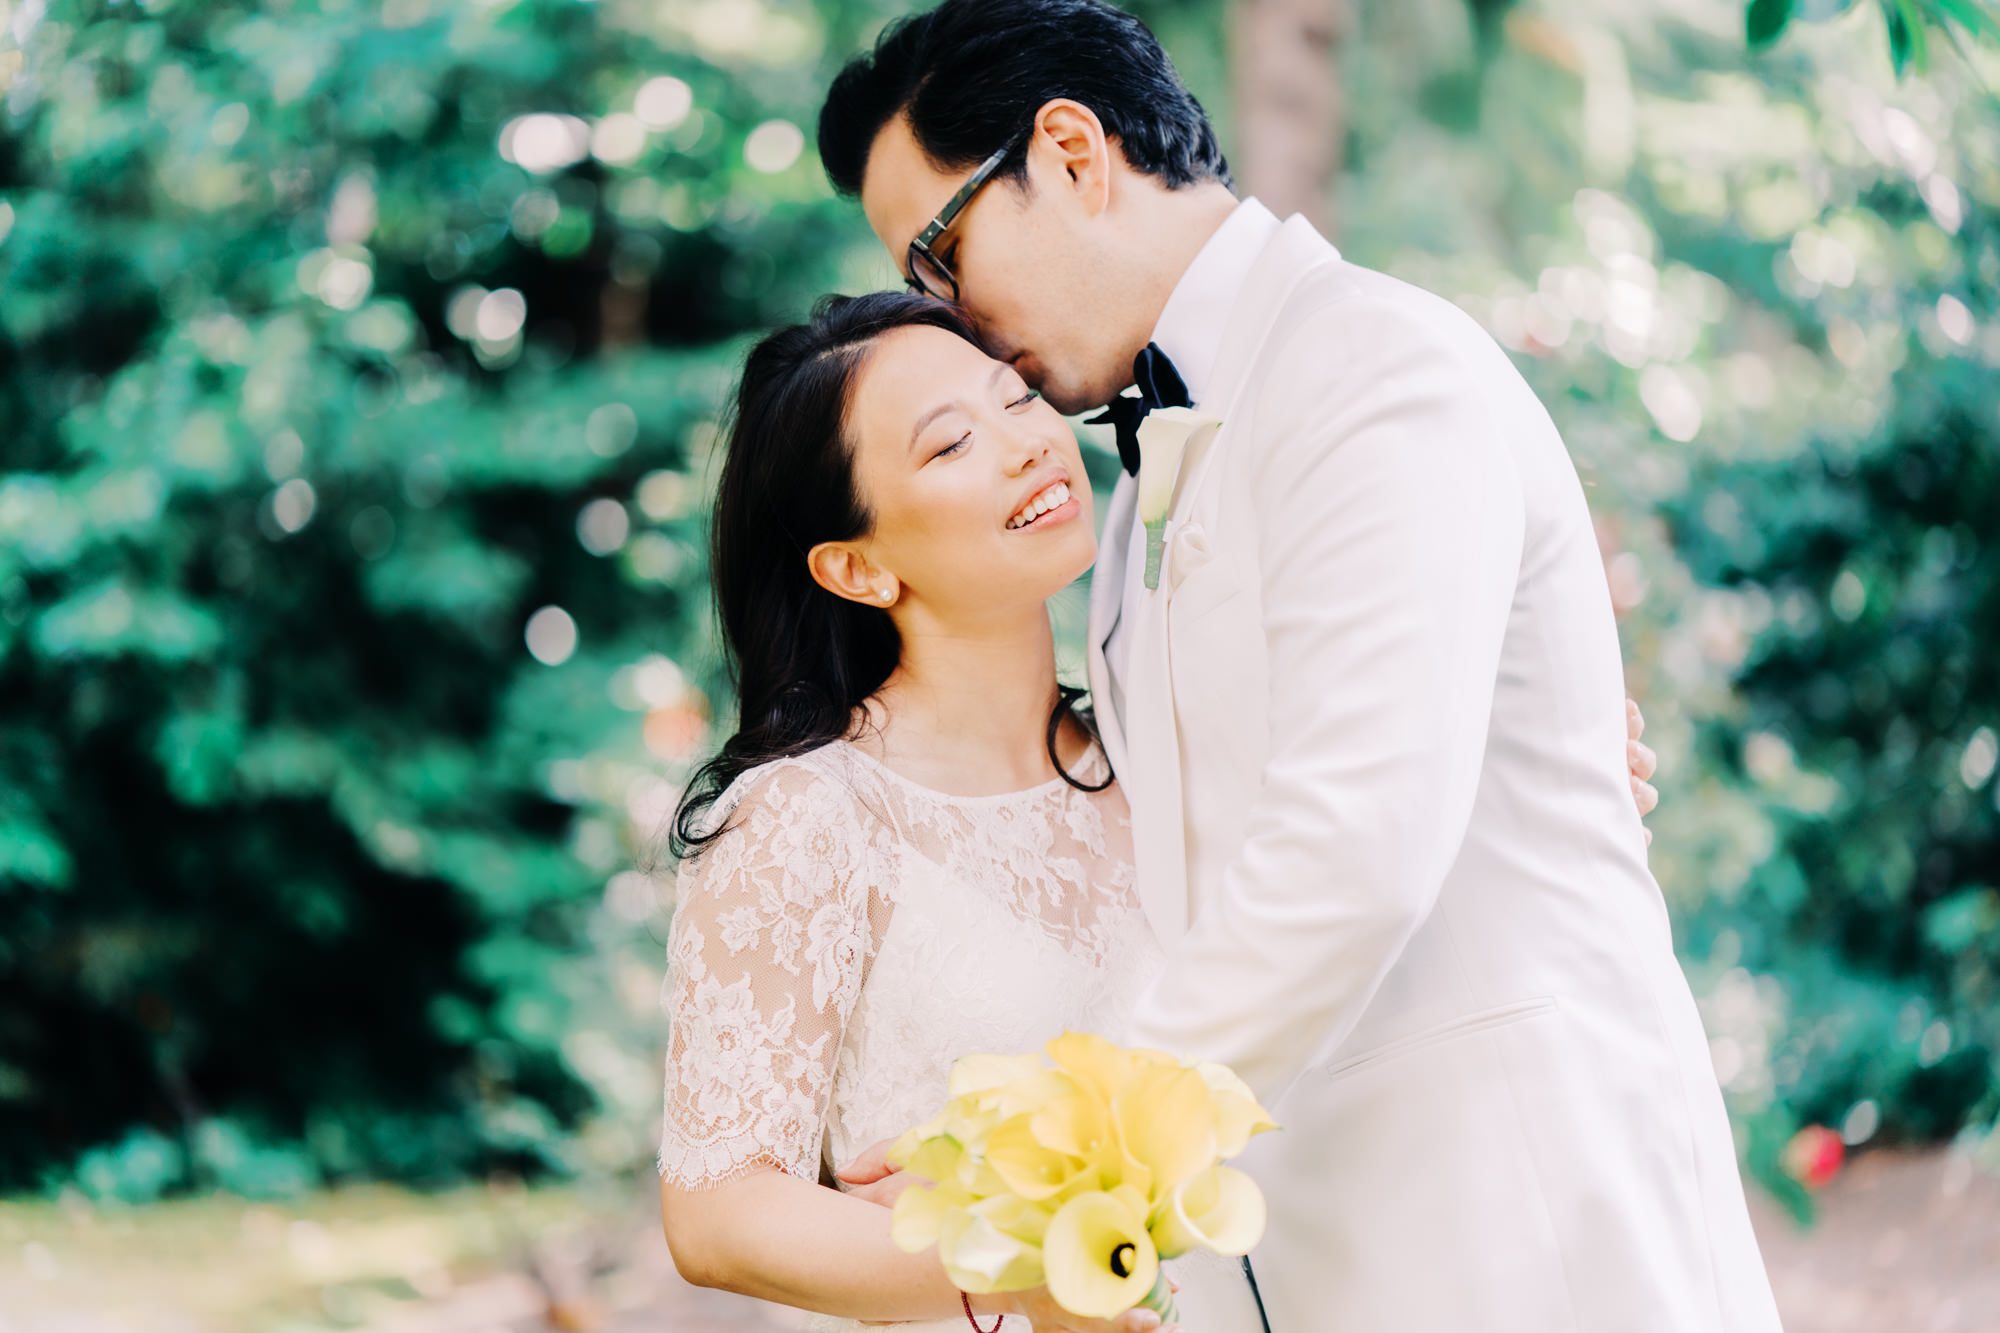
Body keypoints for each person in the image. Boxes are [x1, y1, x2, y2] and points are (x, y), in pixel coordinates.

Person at [807, 1, 1785, 1331]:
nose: (953, 325)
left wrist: (1040, 1176)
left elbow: (1356, 846)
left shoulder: (1376, 370)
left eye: (942, 258)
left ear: (1073, 153)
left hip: (1522, 1233)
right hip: (1316, 1254)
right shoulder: (1142, 477)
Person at [652, 291, 1661, 1332]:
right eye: (951, 443)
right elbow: (720, 1211)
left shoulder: (1153, 739)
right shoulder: (804, 814)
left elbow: (1347, 885)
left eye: (1016, 400)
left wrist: (1522, 781)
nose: (1023, 445)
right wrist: (1016, 1261)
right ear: (855, 565)